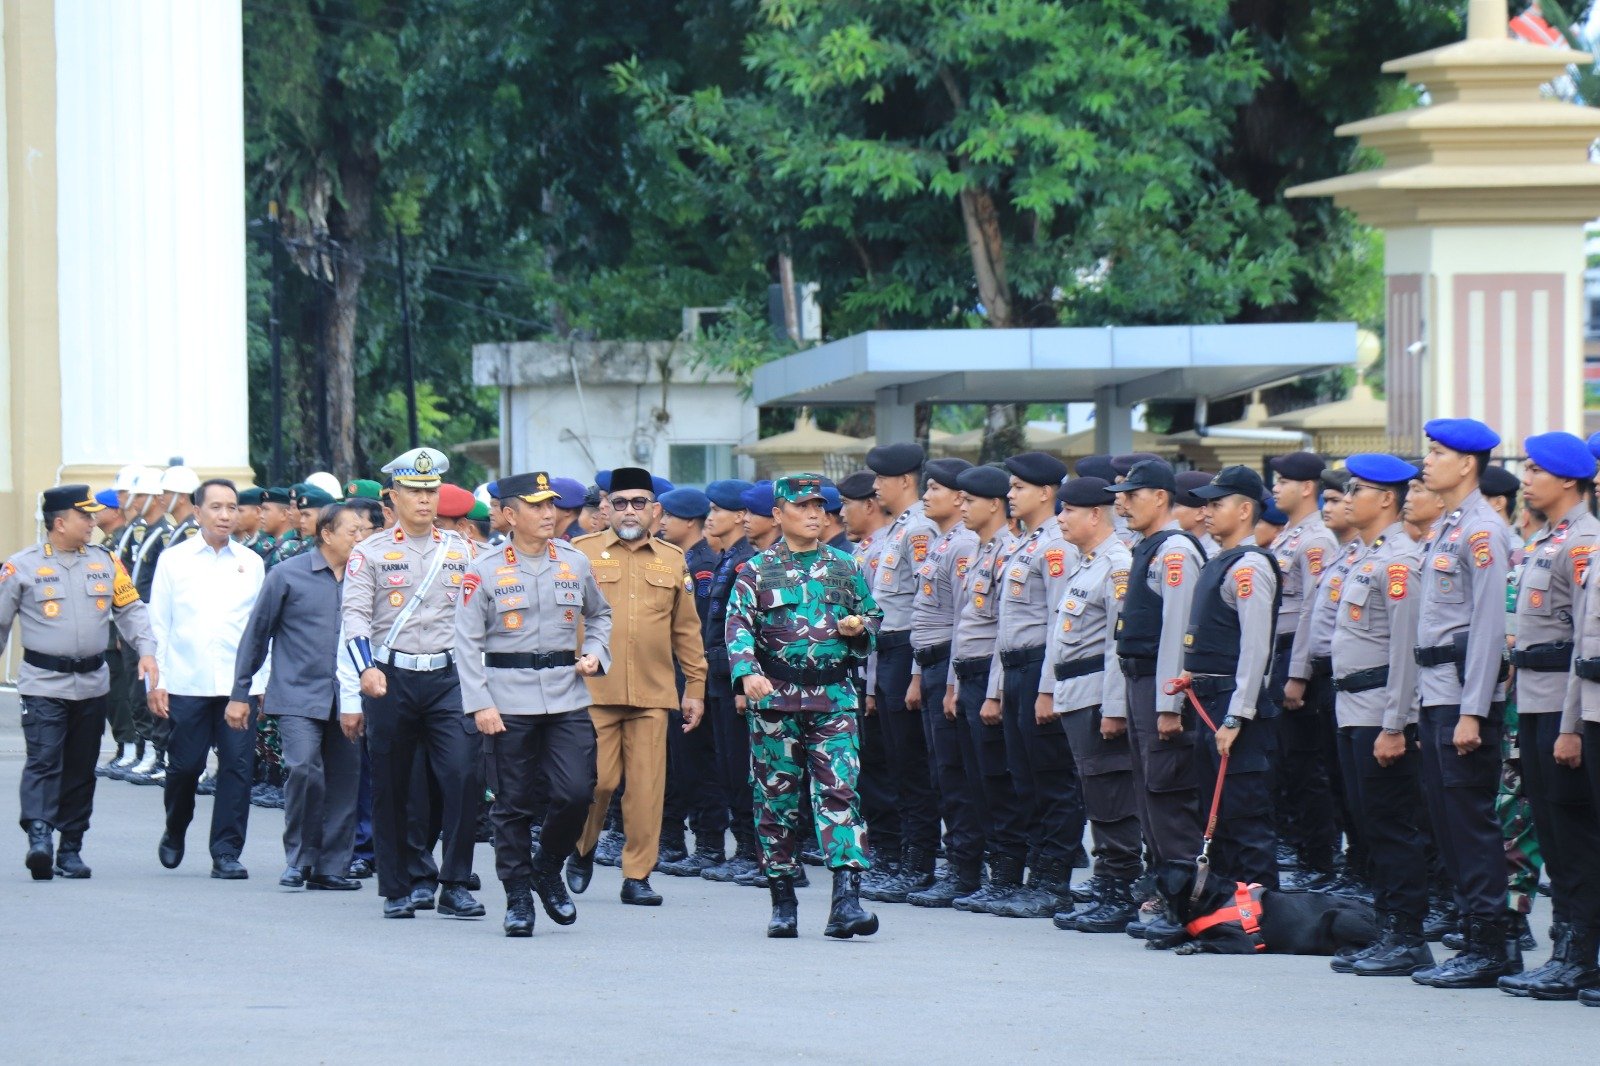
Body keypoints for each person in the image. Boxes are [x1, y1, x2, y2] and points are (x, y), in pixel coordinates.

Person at [725, 473, 882, 938]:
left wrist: (860, 628)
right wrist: (747, 672)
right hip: (775, 701)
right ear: (778, 515)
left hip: (833, 699)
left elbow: (873, 616)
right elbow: (737, 628)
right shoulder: (755, 570)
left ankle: (846, 903)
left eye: (820, 506)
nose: (816, 514)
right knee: (777, 800)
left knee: (841, 793)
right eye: (803, 506)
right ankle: (783, 899)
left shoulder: (845, 566)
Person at [455, 472, 611, 936]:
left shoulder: (573, 561)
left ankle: (547, 867)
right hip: (506, 698)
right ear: (508, 515)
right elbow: (465, 641)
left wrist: (596, 653)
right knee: (513, 803)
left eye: (552, 506)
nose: (550, 514)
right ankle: (518, 894)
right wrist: (479, 702)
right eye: (537, 506)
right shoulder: (482, 568)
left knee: (578, 791)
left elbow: (600, 615)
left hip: (566, 693)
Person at [342, 447, 484, 920]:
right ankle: (399, 884)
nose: (424, 500)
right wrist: (367, 667)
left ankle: (455, 882)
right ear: (393, 496)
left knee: (463, 776)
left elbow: (482, 613)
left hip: (449, 677)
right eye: (414, 491)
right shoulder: (370, 552)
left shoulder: (463, 549)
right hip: (392, 676)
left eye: (430, 491)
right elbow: (356, 617)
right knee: (393, 783)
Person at [1409, 418, 1521, 989]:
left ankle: (1492, 943)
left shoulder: (1483, 530)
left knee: (1470, 823)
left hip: (1462, 697)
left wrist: (1475, 710)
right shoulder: (1450, 528)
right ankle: (1477, 934)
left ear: (1467, 464)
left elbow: (1488, 627)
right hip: (1436, 693)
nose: (1427, 462)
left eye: (1437, 453)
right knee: (1447, 822)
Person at [567, 467, 707, 906]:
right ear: (605, 508)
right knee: (599, 782)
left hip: (652, 691)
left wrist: (695, 688)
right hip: (594, 691)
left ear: (655, 510)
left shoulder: (671, 559)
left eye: (639, 503)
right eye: (621, 502)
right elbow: (562, 620)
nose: (630, 511)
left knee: (647, 790)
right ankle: (581, 847)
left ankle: (637, 875)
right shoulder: (579, 553)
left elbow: (686, 629)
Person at [1, 485, 156, 879]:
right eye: (84, 517)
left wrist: (149, 650)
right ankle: (39, 836)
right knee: (43, 760)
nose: (92, 523)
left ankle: (70, 847)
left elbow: (131, 610)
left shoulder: (106, 562)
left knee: (81, 767)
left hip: (91, 683)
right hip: (42, 684)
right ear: (59, 522)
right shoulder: (22, 567)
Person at [1498, 433, 1600, 998]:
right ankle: (1569, 948)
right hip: (1532, 702)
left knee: (1573, 835)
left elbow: (1583, 642)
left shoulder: (1583, 542)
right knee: (1555, 836)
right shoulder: (1548, 539)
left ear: (1567, 480)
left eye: (1536, 470)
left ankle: (1579, 953)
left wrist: (1570, 727)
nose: (1527, 479)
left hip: (1567, 704)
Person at [1324, 454, 1431, 977]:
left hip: (1379, 711)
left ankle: (1407, 935)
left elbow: (1408, 650)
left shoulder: (1398, 564)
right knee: (1370, 825)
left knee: (1391, 827)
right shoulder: (1366, 557)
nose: (1347, 500)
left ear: (1387, 498)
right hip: (1352, 707)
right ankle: (1389, 930)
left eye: (1357, 490)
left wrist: (1396, 724)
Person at [231, 503, 366, 892]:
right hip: (297, 694)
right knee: (305, 770)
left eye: (363, 532)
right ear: (326, 535)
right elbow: (257, 635)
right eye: (352, 532)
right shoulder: (286, 575)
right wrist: (240, 692)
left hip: (350, 698)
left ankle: (331, 867)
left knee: (344, 781)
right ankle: (299, 858)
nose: (360, 539)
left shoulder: (366, 578)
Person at [983, 450, 1085, 919]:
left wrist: (1048, 688)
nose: (1010, 494)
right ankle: (1032, 876)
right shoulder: (1025, 544)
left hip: (1042, 668)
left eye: (1019, 487)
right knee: (1025, 779)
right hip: (1016, 669)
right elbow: (1007, 625)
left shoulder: (1057, 546)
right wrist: (998, 688)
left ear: (1046, 492)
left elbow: (1058, 624)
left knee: (1051, 780)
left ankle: (1053, 881)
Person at [148, 479, 265, 880]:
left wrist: (259, 682)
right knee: (185, 767)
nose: (225, 515)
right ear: (196, 512)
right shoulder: (175, 560)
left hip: (237, 687)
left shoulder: (250, 563)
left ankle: (227, 851)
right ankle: (175, 826)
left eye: (232, 507)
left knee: (237, 767)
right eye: (216, 507)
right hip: (186, 682)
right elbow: (158, 624)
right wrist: (156, 682)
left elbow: (260, 629)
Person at [1108, 459, 1206, 934]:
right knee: (1149, 793)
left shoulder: (1175, 551)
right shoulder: (1147, 547)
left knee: (1169, 793)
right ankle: (1163, 892)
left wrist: (1170, 703)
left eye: (1131, 493)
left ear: (1161, 497)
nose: (1121, 502)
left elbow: (1178, 632)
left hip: (1159, 685)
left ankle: (1187, 902)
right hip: (1137, 681)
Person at [1045, 476, 1142, 933]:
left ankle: (1120, 887)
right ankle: (1107, 883)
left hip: (1097, 695)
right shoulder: (1086, 564)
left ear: (1094, 515)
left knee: (1111, 797)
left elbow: (1117, 646)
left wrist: (1115, 708)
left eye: (1067, 511)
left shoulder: (1117, 566)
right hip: (1074, 693)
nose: (1059, 518)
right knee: (1096, 793)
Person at [861, 442, 943, 901]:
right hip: (885, 651)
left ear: (904, 481)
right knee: (893, 762)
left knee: (910, 765)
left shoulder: (920, 531)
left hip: (907, 651)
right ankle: (896, 858)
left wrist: (912, 672)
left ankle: (918, 861)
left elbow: (924, 607)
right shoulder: (895, 531)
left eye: (881, 479)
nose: (875, 487)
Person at [943, 465, 1025, 913]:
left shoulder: (1009, 550)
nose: (963, 507)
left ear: (993, 504)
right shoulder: (977, 550)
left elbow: (1002, 630)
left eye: (970, 500)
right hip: (969, 674)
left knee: (997, 780)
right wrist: (954, 684)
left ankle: (1008, 874)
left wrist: (994, 690)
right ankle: (989, 872)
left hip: (991, 675)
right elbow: (964, 625)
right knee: (974, 779)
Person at [904, 457, 983, 906]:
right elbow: (925, 616)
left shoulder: (964, 545)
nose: (926, 495)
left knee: (956, 774)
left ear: (958, 497)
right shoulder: (941, 542)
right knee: (942, 772)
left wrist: (950, 682)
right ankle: (957, 864)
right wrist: (919, 676)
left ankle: (964, 867)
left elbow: (962, 623)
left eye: (935, 488)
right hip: (931, 665)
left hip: (951, 667)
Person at [1269, 452, 1342, 881]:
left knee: (1305, 764)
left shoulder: (1316, 540)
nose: (1275, 488)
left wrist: (1298, 674)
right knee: (1288, 762)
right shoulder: (1290, 535)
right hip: (1280, 652)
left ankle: (1319, 859)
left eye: (1283, 481)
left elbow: (1314, 611)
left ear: (1307, 487)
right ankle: (1306, 853)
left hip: (1296, 654)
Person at [656, 487, 725, 874]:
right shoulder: (678, 558)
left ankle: (709, 843)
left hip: (689, 671)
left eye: (669, 517)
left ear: (688, 521)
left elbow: (692, 627)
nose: (663, 523)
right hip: (672, 670)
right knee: (676, 760)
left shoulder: (700, 565)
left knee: (695, 759)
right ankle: (675, 841)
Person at [836, 468, 901, 885]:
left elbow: (881, 622)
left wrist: (874, 684)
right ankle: (890, 852)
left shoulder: (890, 546)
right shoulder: (863, 551)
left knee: (895, 768)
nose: (839, 513)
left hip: (890, 665)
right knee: (874, 768)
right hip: (867, 671)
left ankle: (901, 856)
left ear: (869, 506)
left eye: (846, 504)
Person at [695, 478, 759, 882]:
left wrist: (740, 684)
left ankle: (753, 850)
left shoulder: (746, 560)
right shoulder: (728, 558)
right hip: (718, 673)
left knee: (742, 766)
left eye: (718, 510)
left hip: (734, 677)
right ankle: (744, 849)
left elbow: (748, 629)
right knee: (726, 764)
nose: (710, 517)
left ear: (739, 515)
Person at [1173, 471, 1220, 559]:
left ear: (1201, 513)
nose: (1168, 511)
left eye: (1175, 506)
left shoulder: (1210, 557)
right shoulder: (1175, 546)